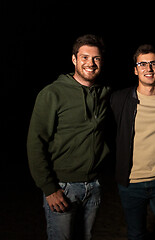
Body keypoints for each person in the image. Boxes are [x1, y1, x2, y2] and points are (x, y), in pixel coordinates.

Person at [27, 34, 111, 240]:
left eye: (96, 58)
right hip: (63, 187)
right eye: (84, 57)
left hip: (93, 186)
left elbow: (136, 94)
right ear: (74, 59)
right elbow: (35, 143)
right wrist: (49, 189)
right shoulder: (52, 94)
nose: (90, 63)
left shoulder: (104, 93)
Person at [110, 44, 155, 240]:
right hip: (131, 183)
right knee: (136, 234)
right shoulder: (119, 99)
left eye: (153, 63)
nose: (148, 68)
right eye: (142, 64)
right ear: (135, 70)